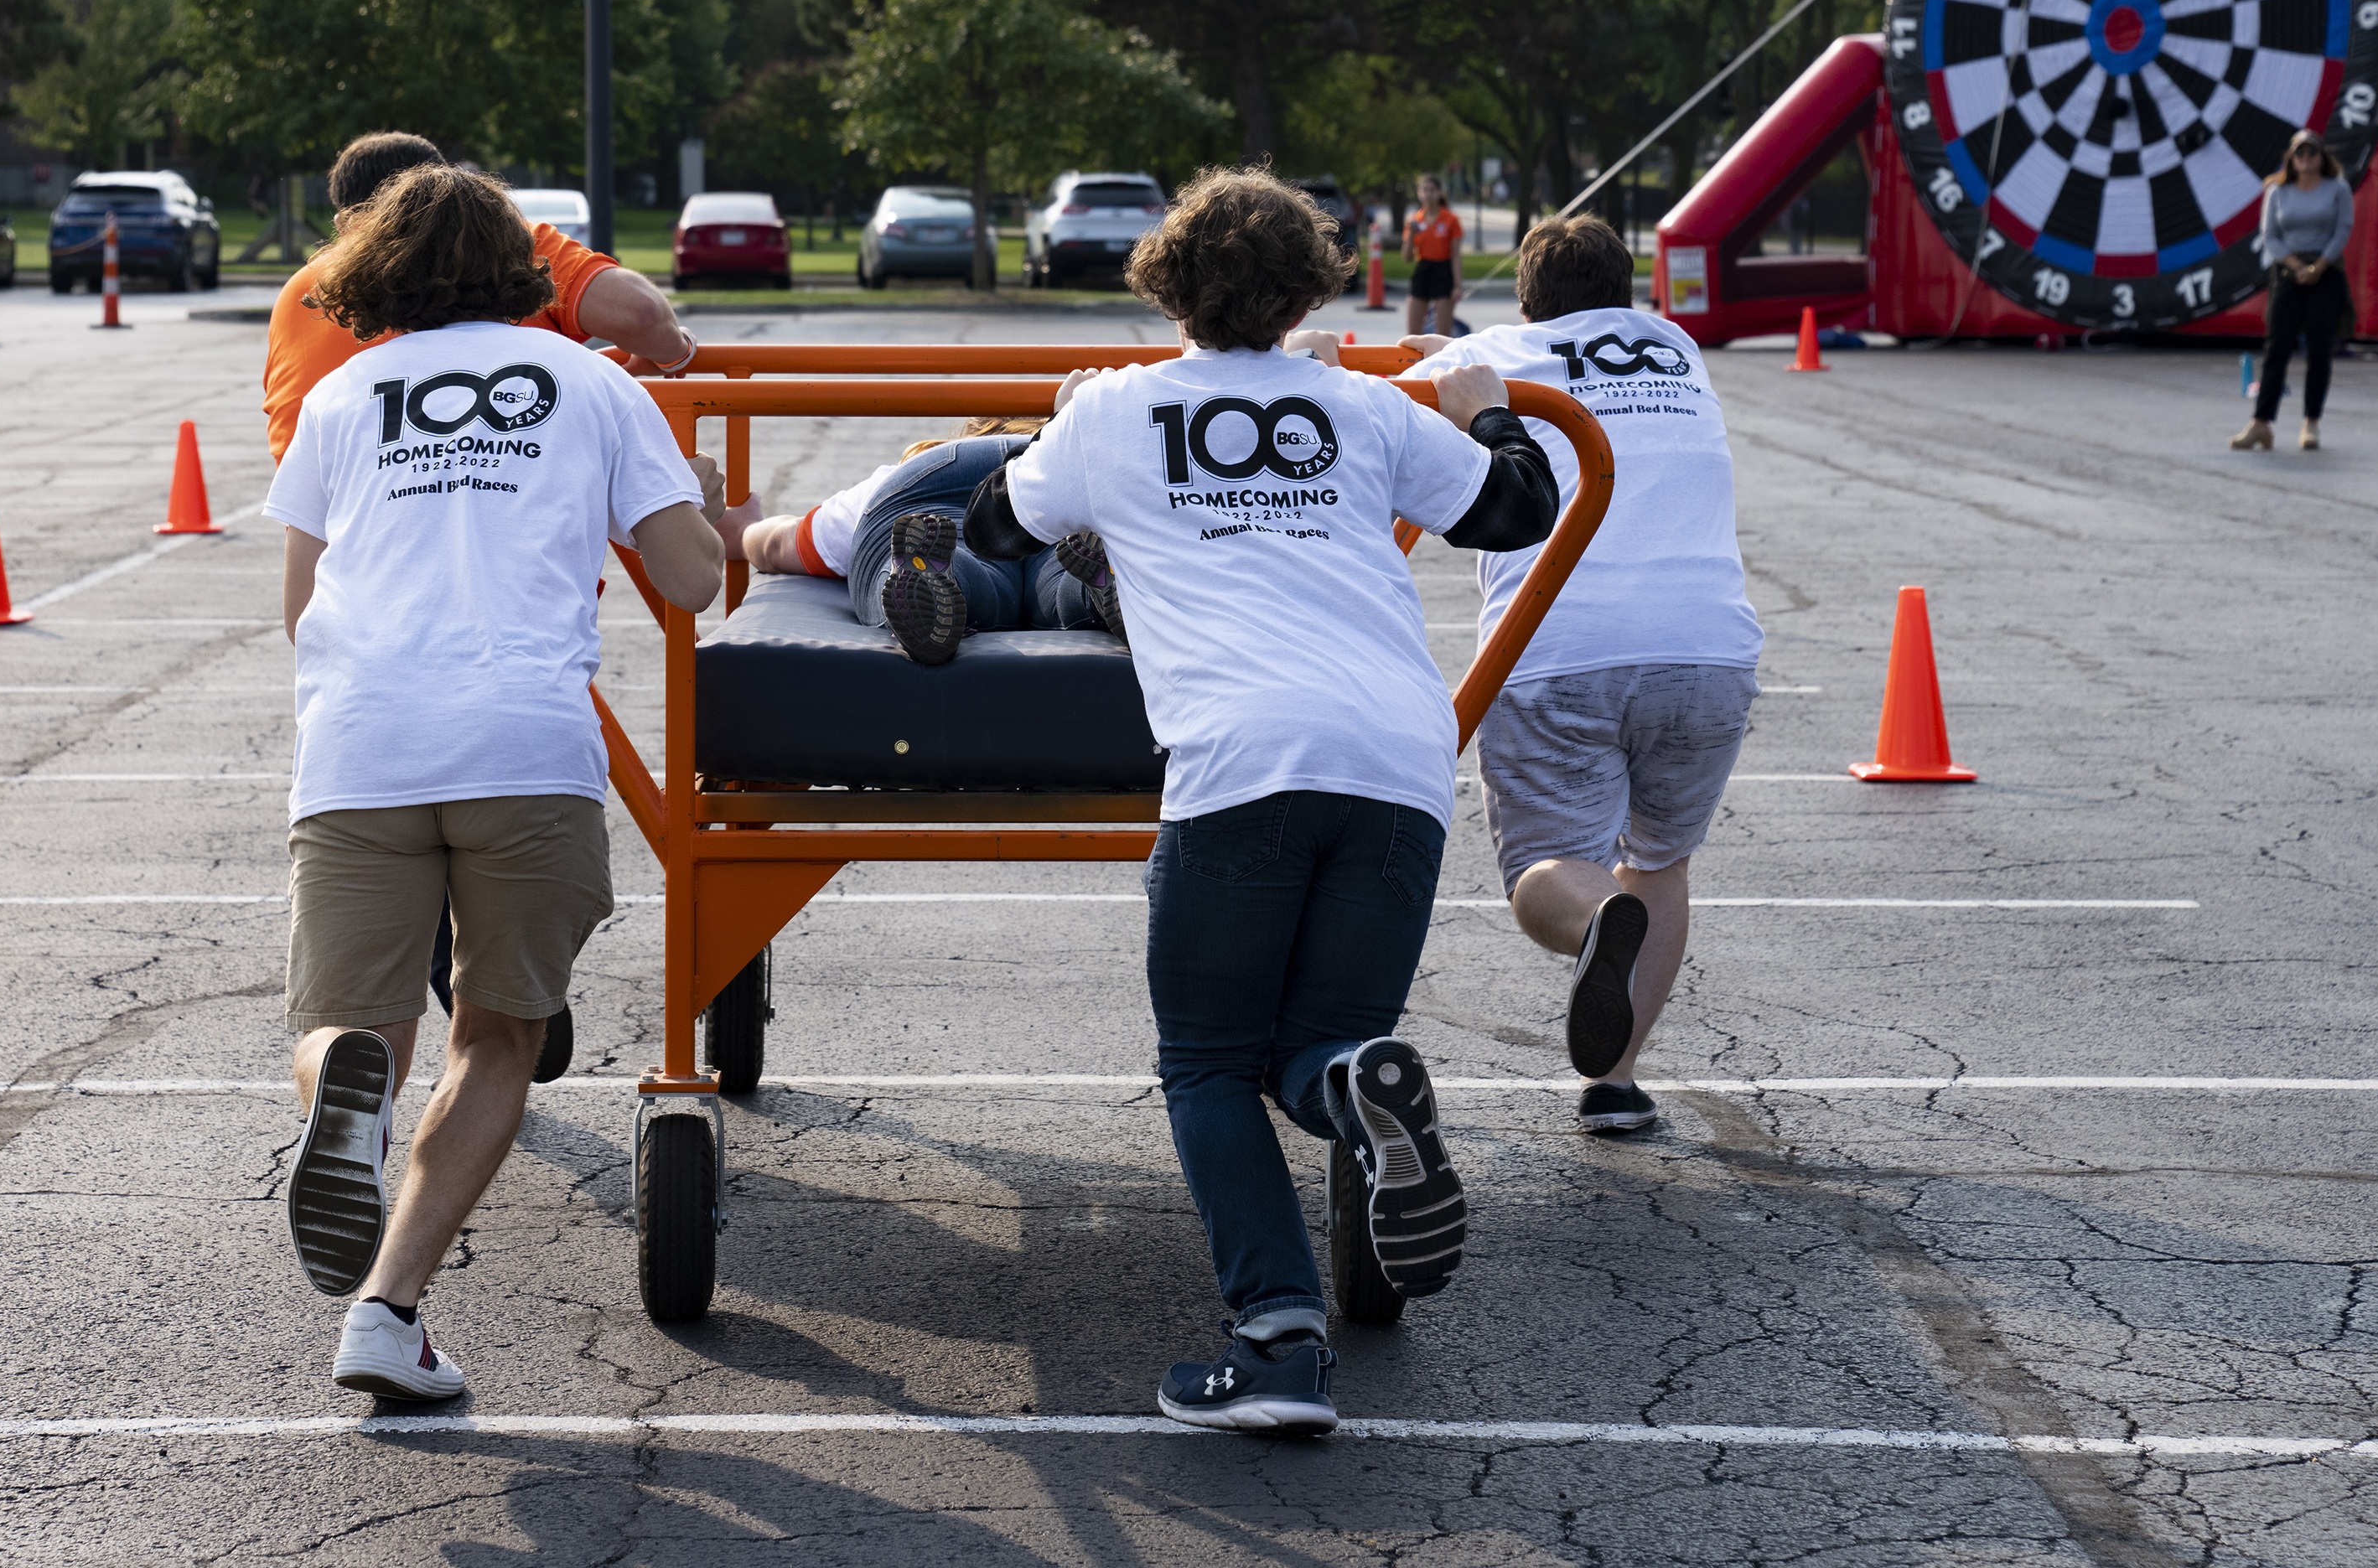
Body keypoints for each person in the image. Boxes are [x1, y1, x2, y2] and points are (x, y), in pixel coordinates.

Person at [961, 167, 1559, 1437]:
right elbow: (1521, 509)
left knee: (1208, 1063)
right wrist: (1490, 409)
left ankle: (1281, 1336)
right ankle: (1354, 1086)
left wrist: (1058, 426)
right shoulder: (1359, 403)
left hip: (1241, 760)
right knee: (1314, 1045)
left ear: (1167, 285)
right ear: (1306, 292)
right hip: (1399, 758)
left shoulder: (1118, 408)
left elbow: (994, 531)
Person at [268, 163, 726, 1403]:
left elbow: (300, 608)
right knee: (497, 1033)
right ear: (524, 266)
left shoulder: (342, 394)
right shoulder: (593, 382)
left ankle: (347, 1103)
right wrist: (701, 502)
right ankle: (386, 1310)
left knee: (353, 1025)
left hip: (362, 740)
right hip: (522, 743)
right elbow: (692, 579)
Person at [1399, 212, 1764, 1137]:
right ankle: (1615, 1083)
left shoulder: (1493, 353)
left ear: (1526, 301)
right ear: (1626, 290)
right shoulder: (1676, 348)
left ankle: (1597, 916)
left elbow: (1446, 396)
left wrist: (1445, 361)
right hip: (1710, 646)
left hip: (1559, 644)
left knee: (1546, 868)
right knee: (1661, 862)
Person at [262, 132, 697, 465]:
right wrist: (674, 354)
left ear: (344, 222)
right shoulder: (509, 246)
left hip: (340, 528)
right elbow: (641, 313)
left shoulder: (304, 288)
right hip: (503, 511)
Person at [737, 417, 1111, 663]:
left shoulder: (913, 462)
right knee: (1058, 570)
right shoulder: (1063, 449)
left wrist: (744, 531)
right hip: (1051, 477)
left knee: (966, 563)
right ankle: (1096, 585)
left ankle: (931, 569)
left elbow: (780, 546)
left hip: (936, 479)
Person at [2236, 132, 2354, 453]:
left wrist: (2318, 266)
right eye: (2299, 153)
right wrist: (2297, 266)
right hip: (2288, 272)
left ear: (2321, 157)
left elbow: (2343, 229)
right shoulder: (2277, 191)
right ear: (2291, 158)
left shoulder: (2337, 188)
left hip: (2326, 271)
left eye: (2311, 152)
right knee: (2277, 347)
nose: (2305, 158)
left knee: (2318, 350)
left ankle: (2311, 422)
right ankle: (2261, 423)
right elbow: (2270, 235)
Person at [1402, 174, 1462, 339]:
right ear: (1419, 193)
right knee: (1413, 333)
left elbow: (1456, 255)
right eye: (1425, 190)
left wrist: (1457, 286)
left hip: (1443, 270)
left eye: (1432, 190)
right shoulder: (1415, 220)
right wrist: (1411, 235)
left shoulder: (1450, 219)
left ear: (1439, 192)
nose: (1428, 194)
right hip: (1423, 268)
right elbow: (1407, 257)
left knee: (1443, 333)